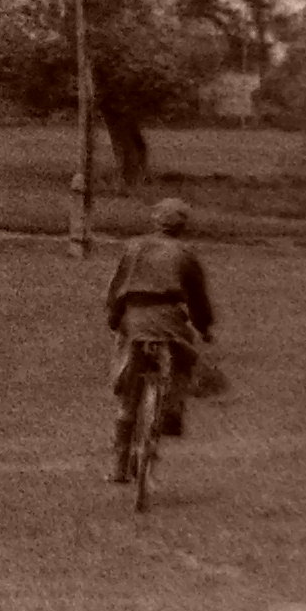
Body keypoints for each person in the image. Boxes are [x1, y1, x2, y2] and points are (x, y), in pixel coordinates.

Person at [104, 197, 215, 483]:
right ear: (182, 226)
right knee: (182, 362)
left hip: (135, 319)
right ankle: (170, 412)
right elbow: (198, 300)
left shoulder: (133, 247)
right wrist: (204, 328)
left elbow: (118, 289)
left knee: (128, 393)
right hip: (169, 323)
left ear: (156, 221)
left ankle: (119, 463)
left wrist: (115, 320)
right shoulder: (185, 254)